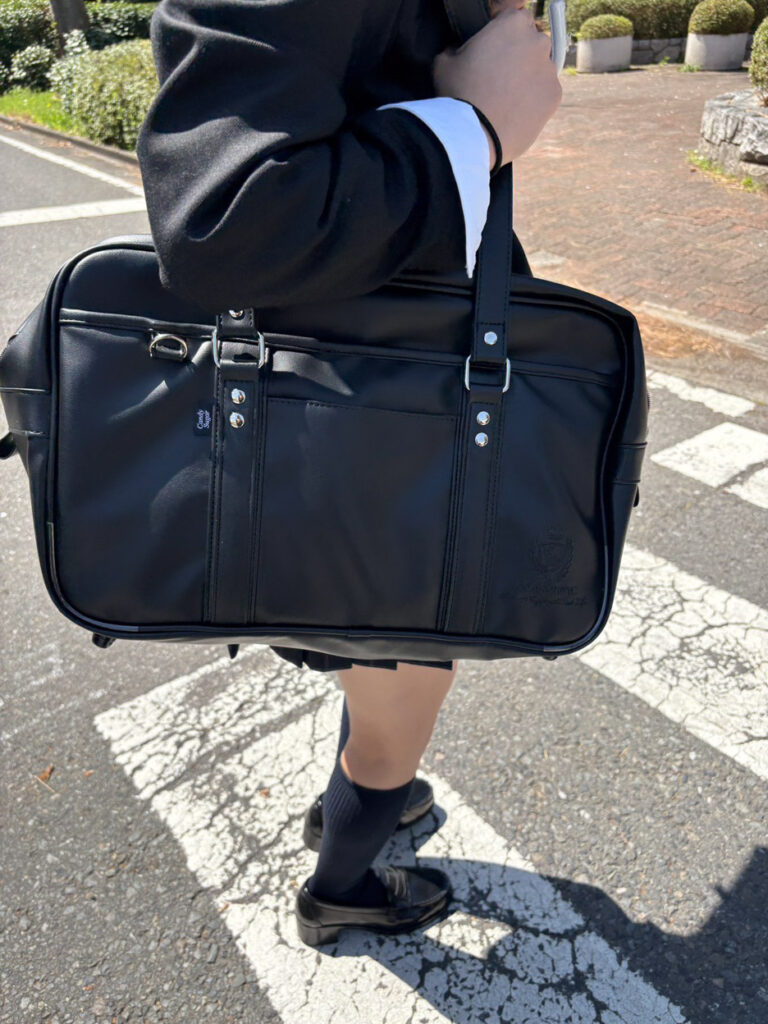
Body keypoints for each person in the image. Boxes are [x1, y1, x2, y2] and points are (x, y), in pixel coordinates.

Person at [136, 0, 561, 947]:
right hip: (357, 441)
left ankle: (363, 798)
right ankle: (342, 888)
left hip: (361, 420)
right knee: (406, 681)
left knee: (383, 657)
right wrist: (476, 127)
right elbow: (225, 219)